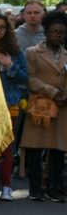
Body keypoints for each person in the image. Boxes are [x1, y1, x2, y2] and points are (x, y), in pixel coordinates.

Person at [20, 10, 67, 203]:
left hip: (63, 107)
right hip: (40, 105)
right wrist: (51, 91)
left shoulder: (66, 54)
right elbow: (29, 78)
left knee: (59, 148)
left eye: (62, 32)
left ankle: (53, 187)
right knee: (35, 147)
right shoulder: (32, 52)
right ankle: (35, 187)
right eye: (55, 31)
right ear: (46, 32)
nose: (58, 35)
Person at [0, 13, 28, 201]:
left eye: (2, 26)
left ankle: (7, 186)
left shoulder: (15, 52)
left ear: (7, 29)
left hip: (8, 103)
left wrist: (9, 64)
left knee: (6, 147)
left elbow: (25, 79)